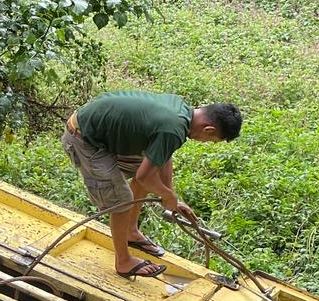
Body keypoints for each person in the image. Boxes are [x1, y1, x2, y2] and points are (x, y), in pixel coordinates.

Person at [61, 91, 242, 279]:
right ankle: (123, 262)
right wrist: (167, 196)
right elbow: (144, 176)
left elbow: (163, 156)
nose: (205, 142)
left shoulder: (181, 111)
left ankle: (130, 231)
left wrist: (171, 195)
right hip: (84, 139)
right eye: (211, 140)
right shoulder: (173, 129)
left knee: (148, 172)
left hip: (98, 132)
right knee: (122, 201)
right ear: (208, 130)